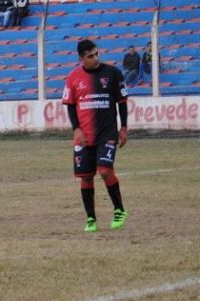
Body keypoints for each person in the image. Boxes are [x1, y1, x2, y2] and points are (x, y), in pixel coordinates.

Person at [62, 39, 129, 233]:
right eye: (90, 56)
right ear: (81, 58)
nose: (95, 58)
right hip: (83, 135)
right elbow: (70, 105)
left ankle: (119, 210)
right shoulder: (73, 78)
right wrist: (76, 129)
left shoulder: (113, 73)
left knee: (105, 171)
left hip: (107, 132)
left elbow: (122, 102)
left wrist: (123, 127)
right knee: (85, 177)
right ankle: (91, 218)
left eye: (97, 54)